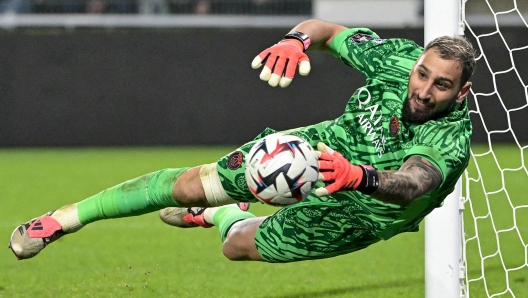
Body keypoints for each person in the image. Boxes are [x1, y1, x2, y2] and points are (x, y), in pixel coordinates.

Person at [9, 18, 476, 263]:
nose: (423, 89)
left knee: (237, 248)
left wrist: (359, 176)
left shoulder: (450, 136)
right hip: (318, 149)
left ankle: (222, 216)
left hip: (361, 213)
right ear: (416, 64)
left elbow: (412, 184)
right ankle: (62, 220)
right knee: (193, 181)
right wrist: (295, 41)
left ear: (462, 91)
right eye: (423, 74)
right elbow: (326, 29)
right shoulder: (398, 59)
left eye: (441, 85)